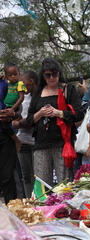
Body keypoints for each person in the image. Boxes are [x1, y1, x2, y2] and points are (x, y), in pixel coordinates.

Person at [26, 58, 84, 186]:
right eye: (48, 75)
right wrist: (40, 113)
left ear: (59, 73)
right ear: (43, 76)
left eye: (55, 74)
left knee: (64, 184)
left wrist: (59, 113)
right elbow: (29, 120)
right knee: (42, 184)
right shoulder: (38, 92)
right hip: (41, 143)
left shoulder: (68, 89)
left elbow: (79, 113)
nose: (52, 78)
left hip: (62, 143)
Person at [11, 70, 38, 199]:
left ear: (31, 81)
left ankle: (38, 202)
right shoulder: (23, 98)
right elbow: (19, 114)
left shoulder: (39, 97)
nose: (22, 86)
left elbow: (32, 120)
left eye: (24, 83)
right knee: (26, 176)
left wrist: (19, 123)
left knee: (37, 176)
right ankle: (29, 201)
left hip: (36, 142)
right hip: (22, 141)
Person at [0, 74, 20, 203]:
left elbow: (7, 108)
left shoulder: (4, 83)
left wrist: (12, 114)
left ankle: (11, 210)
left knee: (7, 176)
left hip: (4, 135)